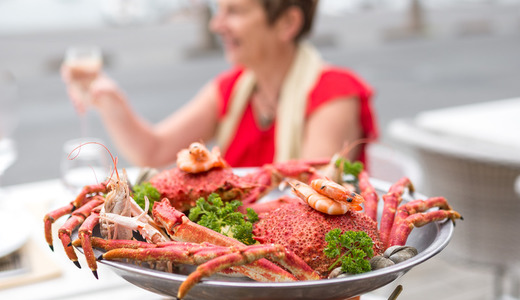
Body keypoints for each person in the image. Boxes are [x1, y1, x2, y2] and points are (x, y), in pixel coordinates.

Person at [61, 0, 378, 169]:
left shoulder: (336, 94)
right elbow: (152, 149)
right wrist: (109, 97)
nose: (217, 24)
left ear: (287, 23)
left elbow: (308, 203)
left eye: (235, 11)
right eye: (218, 10)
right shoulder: (232, 87)